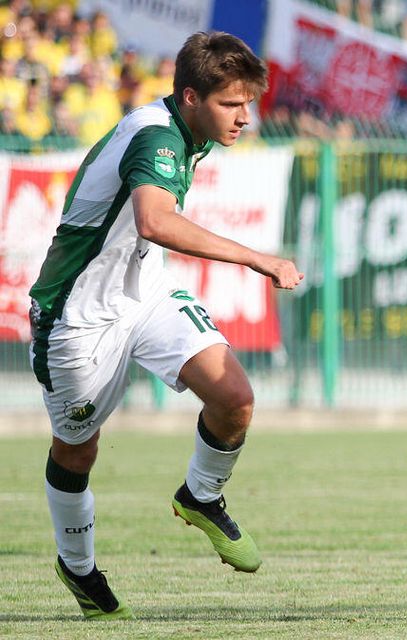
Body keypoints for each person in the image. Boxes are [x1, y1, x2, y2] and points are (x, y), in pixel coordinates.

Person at [29, 31, 303, 620]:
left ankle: (200, 496)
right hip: (76, 316)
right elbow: (153, 221)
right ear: (189, 97)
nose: (245, 118)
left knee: (234, 397)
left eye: (247, 104)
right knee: (77, 453)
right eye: (232, 105)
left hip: (146, 291)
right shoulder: (155, 135)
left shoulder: (188, 131)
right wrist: (256, 257)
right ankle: (78, 568)